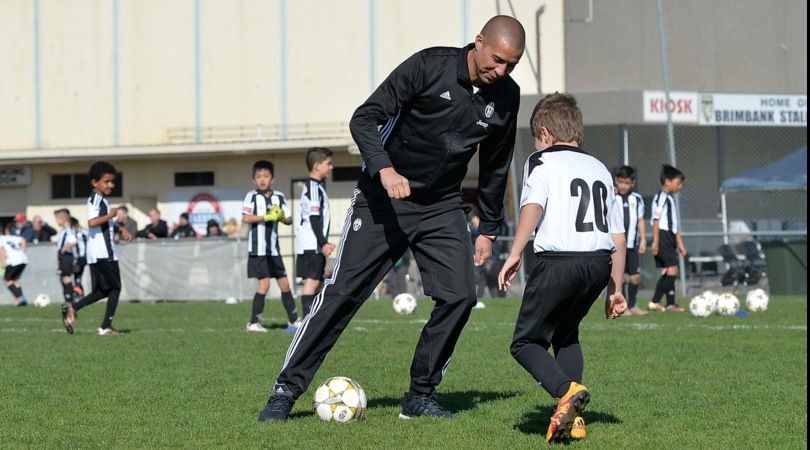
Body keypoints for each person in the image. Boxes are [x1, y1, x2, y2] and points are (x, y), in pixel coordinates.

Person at [258, 15, 525, 423]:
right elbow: (364, 118)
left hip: (442, 207)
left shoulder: (506, 95)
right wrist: (384, 168)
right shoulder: (428, 66)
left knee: (460, 297)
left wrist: (488, 228)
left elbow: (495, 165)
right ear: (478, 41)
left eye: (512, 64)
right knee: (343, 293)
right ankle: (285, 390)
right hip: (383, 199)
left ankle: (420, 395)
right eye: (497, 59)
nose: (501, 71)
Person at [497, 92, 627, 444]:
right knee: (566, 334)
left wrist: (514, 252)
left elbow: (533, 206)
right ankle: (574, 421)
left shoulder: (541, 160)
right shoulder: (600, 168)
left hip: (560, 262)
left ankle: (565, 393)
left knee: (525, 342)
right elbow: (618, 233)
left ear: (544, 132)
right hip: (599, 264)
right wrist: (616, 289)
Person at [61, 161, 132, 335]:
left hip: (98, 251)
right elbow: (92, 222)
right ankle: (105, 326)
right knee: (115, 288)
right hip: (103, 251)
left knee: (103, 291)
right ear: (95, 182)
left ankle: (73, 307)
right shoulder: (96, 199)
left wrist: (119, 228)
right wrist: (112, 215)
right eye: (106, 181)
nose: (111, 185)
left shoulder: (101, 200)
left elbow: (102, 222)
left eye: (112, 182)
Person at [241, 160, 301, 333]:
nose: (262, 179)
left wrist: (281, 217)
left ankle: (293, 321)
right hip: (258, 249)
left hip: (273, 250)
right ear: (253, 180)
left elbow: (288, 219)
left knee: (284, 284)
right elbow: (246, 218)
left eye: (266, 176)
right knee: (264, 285)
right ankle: (253, 323)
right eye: (258, 176)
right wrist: (266, 217)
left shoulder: (279, 197)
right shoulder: (251, 196)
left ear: (272, 179)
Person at [295, 147, 335, 318]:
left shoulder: (317, 187)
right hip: (312, 244)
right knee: (312, 282)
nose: (331, 167)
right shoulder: (313, 188)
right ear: (317, 166)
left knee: (316, 281)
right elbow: (313, 218)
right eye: (329, 163)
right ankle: (306, 323)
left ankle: (311, 320)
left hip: (314, 243)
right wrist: (323, 242)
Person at [648, 164, 687, 312]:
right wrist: (656, 241)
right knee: (672, 269)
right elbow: (656, 220)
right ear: (667, 181)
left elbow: (675, 225)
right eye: (678, 183)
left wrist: (680, 244)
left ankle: (658, 302)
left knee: (671, 270)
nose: (680, 186)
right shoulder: (661, 197)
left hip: (670, 236)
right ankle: (666, 303)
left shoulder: (670, 199)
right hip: (663, 236)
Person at [614, 166, 649, 316]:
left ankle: (633, 305)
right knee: (620, 277)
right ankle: (623, 307)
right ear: (616, 181)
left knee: (635, 277)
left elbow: (640, 220)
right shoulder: (611, 197)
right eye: (621, 182)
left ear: (632, 183)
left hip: (632, 244)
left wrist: (643, 240)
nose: (623, 186)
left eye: (627, 183)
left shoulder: (637, 199)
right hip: (617, 245)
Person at [54, 209, 78, 305]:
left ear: (62, 219)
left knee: (66, 277)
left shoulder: (68, 229)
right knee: (62, 278)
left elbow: (73, 242)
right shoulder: (64, 230)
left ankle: (69, 300)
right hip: (63, 257)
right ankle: (68, 297)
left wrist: (64, 249)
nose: (56, 221)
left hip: (67, 256)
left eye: (57, 219)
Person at [1, 223, 29, 306]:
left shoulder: (1, 238)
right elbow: (23, 240)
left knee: (7, 281)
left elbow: (1, 249)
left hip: (13, 261)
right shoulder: (13, 237)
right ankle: (21, 299)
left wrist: (3, 261)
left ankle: (20, 298)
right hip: (23, 259)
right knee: (14, 280)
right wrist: (22, 251)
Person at [71, 216, 88, 297]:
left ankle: (79, 294)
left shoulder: (84, 232)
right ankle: (79, 294)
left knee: (78, 275)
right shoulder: (73, 234)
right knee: (77, 276)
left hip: (83, 258)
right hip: (77, 258)